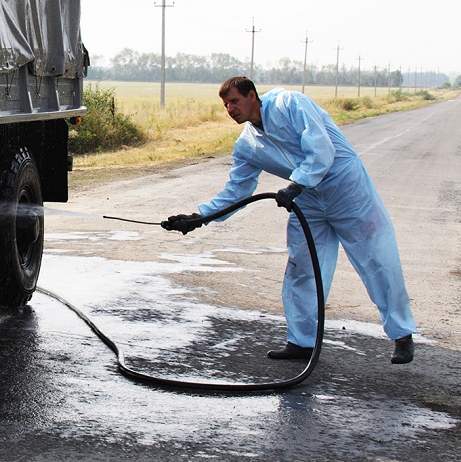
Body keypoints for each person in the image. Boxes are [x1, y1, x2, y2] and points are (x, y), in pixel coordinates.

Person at [162, 76, 417, 364]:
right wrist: (201, 216)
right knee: (302, 268)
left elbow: (322, 149)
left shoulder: (289, 103)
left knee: (377, 260)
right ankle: (301, 342)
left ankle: (402, 335)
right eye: (225, 105)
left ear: (252, 96)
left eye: (234, 101)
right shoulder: (247, 145)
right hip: (305, 199)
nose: (230, 109)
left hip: (345, 188)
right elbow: (237, 189)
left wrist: (297, 184)